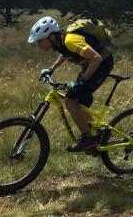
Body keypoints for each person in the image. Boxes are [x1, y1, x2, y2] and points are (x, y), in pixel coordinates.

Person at [27, 16, 114, 152]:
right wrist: (51, 69)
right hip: (90, 65)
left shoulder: (70, 40)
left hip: (101, 64)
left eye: (40, 40)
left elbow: (96, 58)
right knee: (79, 101)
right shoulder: (60, 41)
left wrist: (80, 81)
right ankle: (98, 133)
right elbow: (65, 53)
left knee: (70, 100)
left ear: (51, 36)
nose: (39, 44)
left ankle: (88, 139)